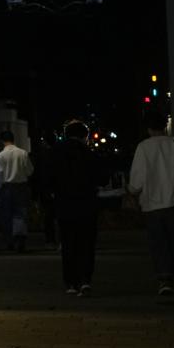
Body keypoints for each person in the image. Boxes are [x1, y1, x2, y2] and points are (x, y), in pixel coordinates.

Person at [128, 106, 174, 295]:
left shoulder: (143, 147)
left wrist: (132, 191)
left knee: (157, 241)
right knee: (173, 241)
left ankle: (163, 278)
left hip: (151, 202)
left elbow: (137, 179)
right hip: (173, 201)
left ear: (148, 128)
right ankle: (172, 276)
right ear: (165, 126)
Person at [53, 121, 103, 296]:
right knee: (86, 244)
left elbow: (48, 178)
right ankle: (85, 280)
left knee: (68, 243)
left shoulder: (56, 153)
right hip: (87, 204)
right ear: (84, 136)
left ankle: (70, 283)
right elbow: (101, 178)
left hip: (65, 203)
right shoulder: (89, 153)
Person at [0, 129, 33, 253]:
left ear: (2, 141)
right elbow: (30, 170)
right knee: (20, 214)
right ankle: (19, 238)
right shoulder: (23, 153)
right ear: (13, 139)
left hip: (6, 188)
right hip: (21, 186)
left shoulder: (0, 156)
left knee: (6, 215)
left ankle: (9, 241)